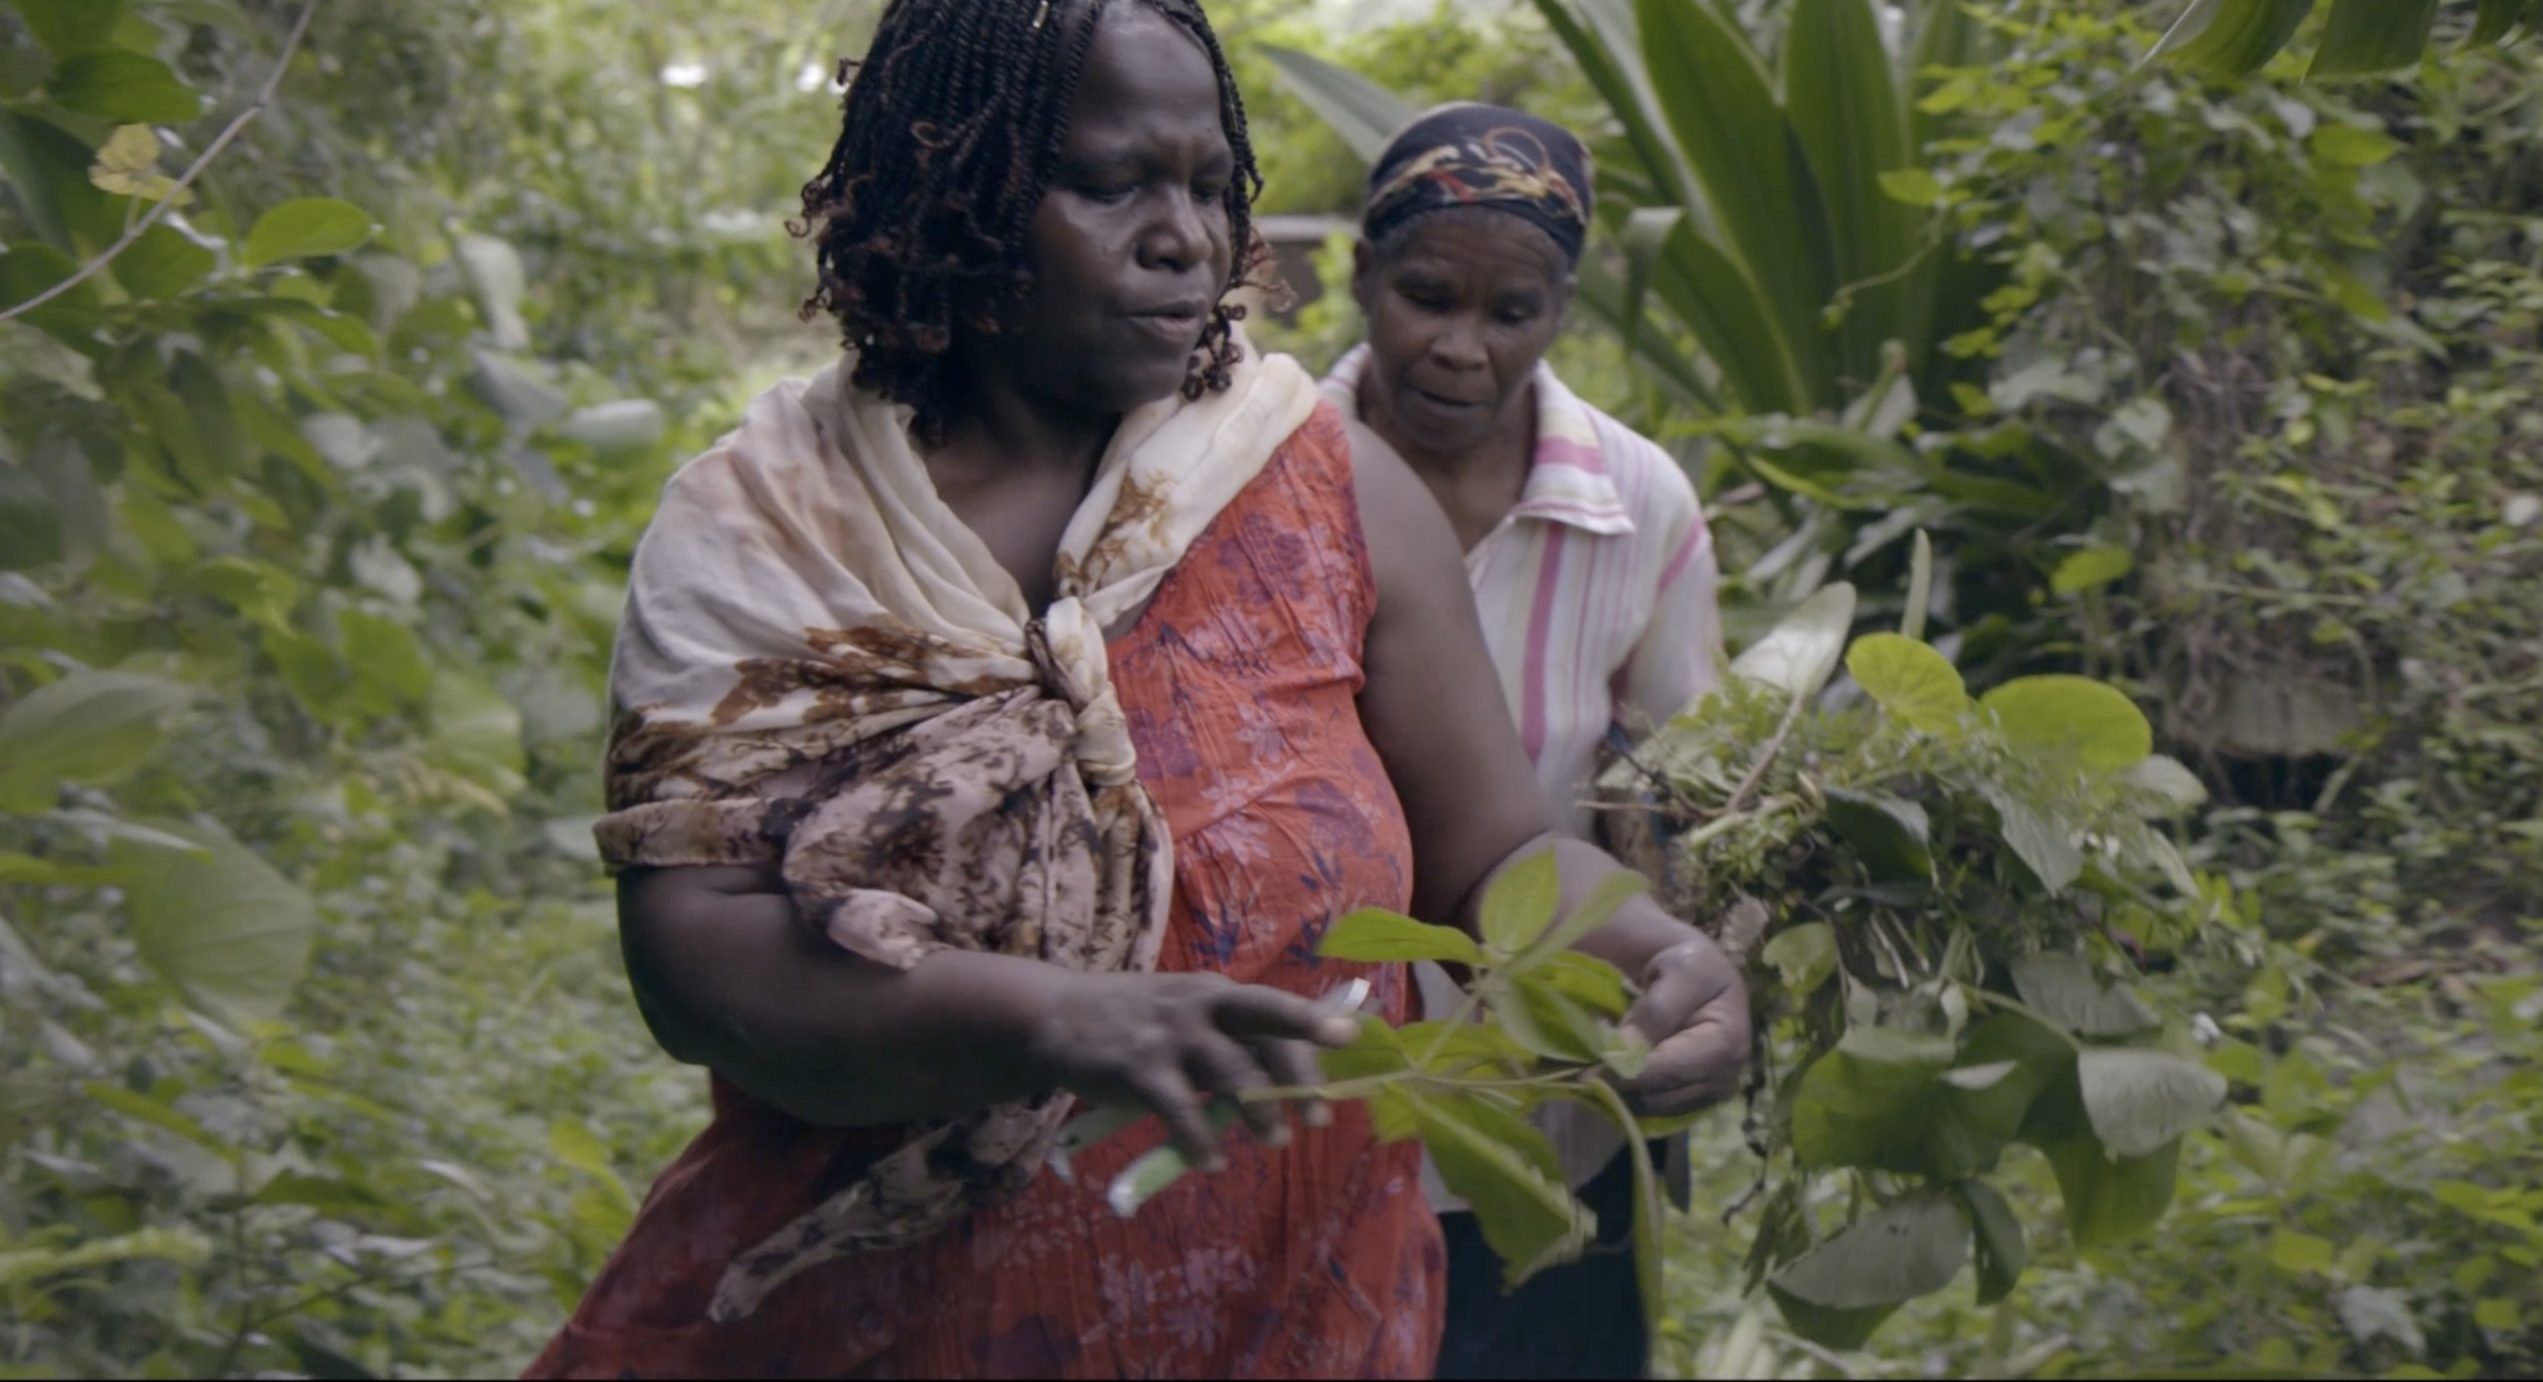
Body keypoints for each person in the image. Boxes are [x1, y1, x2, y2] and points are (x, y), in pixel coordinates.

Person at [526, 4, 1747, 1377]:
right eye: (1114, 184)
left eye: (1212, 189)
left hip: (1293, 1308)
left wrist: (1651, 950)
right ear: (954, 187)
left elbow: (1496, 849)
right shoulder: (770, 531)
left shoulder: (1327, 489)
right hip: (888, 1322)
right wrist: (1054, 1018)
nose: (1189, 238)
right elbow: (696, 957)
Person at [1319, 105, 1728, 1380]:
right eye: (1425, 295)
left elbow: (1689, 784)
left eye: (1513, 312)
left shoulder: (1635, 504)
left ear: (1562, 310)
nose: (1458, 348)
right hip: (1304, 1110)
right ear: (1359, 275)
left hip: (1548, 1120)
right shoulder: (1252, 478)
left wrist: (1699, 973)